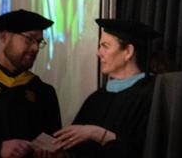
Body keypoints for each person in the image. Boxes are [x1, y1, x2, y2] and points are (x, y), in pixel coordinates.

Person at [54, 18, 159, 157]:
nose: (98, 53)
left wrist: (97, 134)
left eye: (105, 46)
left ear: (128, 51)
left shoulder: (153, 95)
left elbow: (146, 148)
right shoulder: (96, 99)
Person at [0, 9, 61, 158]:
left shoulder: (44, 92)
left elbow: (55, 141)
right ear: (3, 37)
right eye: (29, 39)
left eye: (39, 42)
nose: (36, 48)